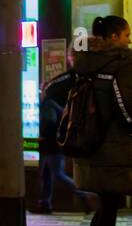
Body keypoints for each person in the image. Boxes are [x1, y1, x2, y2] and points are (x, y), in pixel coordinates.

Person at [45, 15, 132, 226]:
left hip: (89, 146)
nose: (129, 40)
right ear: (114, 37)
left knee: (104, 207)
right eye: (127, 35)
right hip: (114, 148)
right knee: (109, 208)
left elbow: (51, 91)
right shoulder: (122, 63)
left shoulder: (85, 64)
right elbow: (126, 106)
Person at [35, 86, 95, 215]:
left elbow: (49, 121)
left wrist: (44, 135)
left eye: (40, 91)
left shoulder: (48, 104)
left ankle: (83, 194)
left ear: (45, 93)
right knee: (47, 176)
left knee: (58, 174)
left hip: (50, 146)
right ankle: (45, 204)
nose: (39, 94)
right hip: (53, 146)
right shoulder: (54, 103)